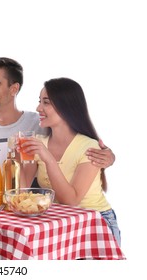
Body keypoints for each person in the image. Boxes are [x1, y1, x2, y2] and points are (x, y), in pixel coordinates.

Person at [0, 57, 115, 179]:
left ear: (14, 89)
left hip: (32, 208)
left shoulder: (39, 123)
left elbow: (77, 144)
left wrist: (109, 156)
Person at [18, 77, 121, 246]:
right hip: (61, 223)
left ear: (66, 106)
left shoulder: (90, 147)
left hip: (94, 222)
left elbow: (71, 201)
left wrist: (48, 158)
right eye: (39, 101)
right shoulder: (39, 143)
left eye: (46, 102)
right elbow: (23, 193)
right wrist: (18, 159)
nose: (38, 108)